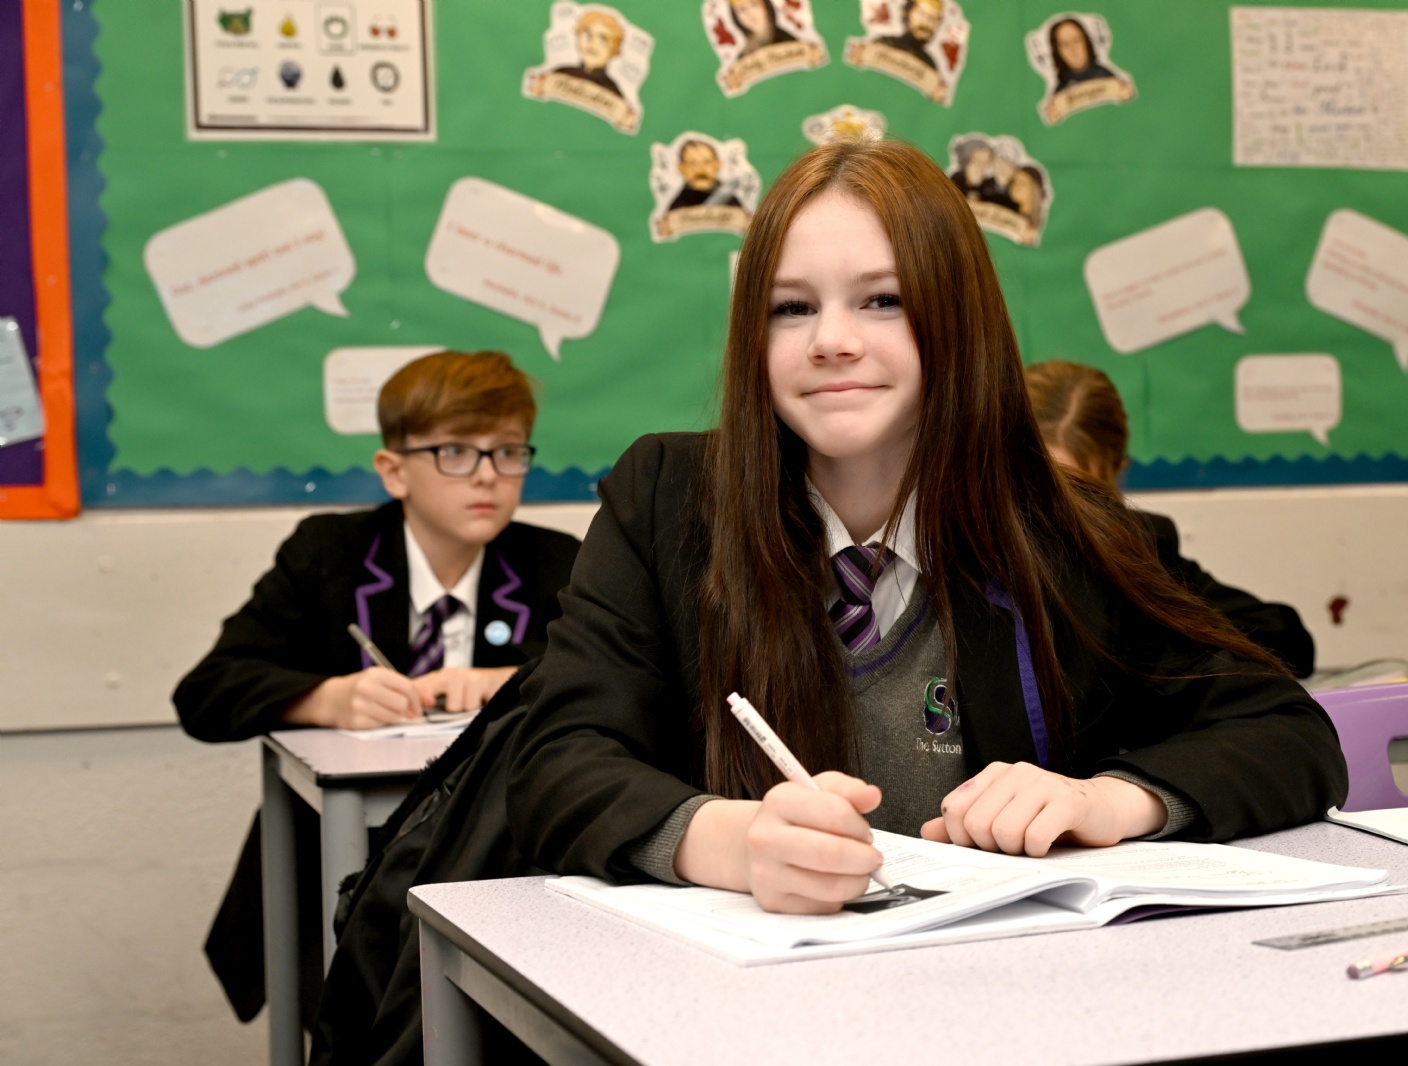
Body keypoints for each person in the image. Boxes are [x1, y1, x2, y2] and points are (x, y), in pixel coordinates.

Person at [502, 138, 1345, 916]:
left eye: (883, 300)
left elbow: (1286, 735)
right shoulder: (667, 498)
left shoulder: (1066, 534)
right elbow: (554, 763)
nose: (832, 340)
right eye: (790, 308)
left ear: (957, 318)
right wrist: (733, 842)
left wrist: (1105, 802)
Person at [174, 349, 580, 1021]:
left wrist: (509, 681)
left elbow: (612, 681)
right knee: (353, 1024)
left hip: (495, 860)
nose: (488, 475)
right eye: (456, 452)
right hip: (337, 862)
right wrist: (327, 699)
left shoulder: (556, 560)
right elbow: (205, 693)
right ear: (394, 471)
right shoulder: (328, 553)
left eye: (509, 452)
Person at [1023, 359, 1315, 677]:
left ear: (1115, 478)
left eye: (1081, 493)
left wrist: (1159, 621)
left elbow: (1286, 641)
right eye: (1031, 485)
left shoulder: (1140, 549)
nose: (1050, 512)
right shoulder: (989, 560)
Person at [555, 8, 625, 98]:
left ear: (614, 49)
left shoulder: (613, 91)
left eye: (603, 39)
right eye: (588, 34)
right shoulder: (562, 73)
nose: (592, 44)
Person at [1049, 16, 1120, 93]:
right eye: (1065, 44)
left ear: (1086, 42)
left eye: (1076, 40)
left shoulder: (1106, 76)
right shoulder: (1060, 92)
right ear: (1057, 52)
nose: (1072, 49)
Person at [877, 0, 943, 70]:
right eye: (922, 14)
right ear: (905, 12)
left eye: (934, 19)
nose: (926, 22)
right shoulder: (885, 43)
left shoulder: (929, 64)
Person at [729, 0, 795, 59]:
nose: (749, 14)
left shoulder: (789, 42)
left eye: (754, 5)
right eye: (742, 9)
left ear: (766, 6)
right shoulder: (744, 57)